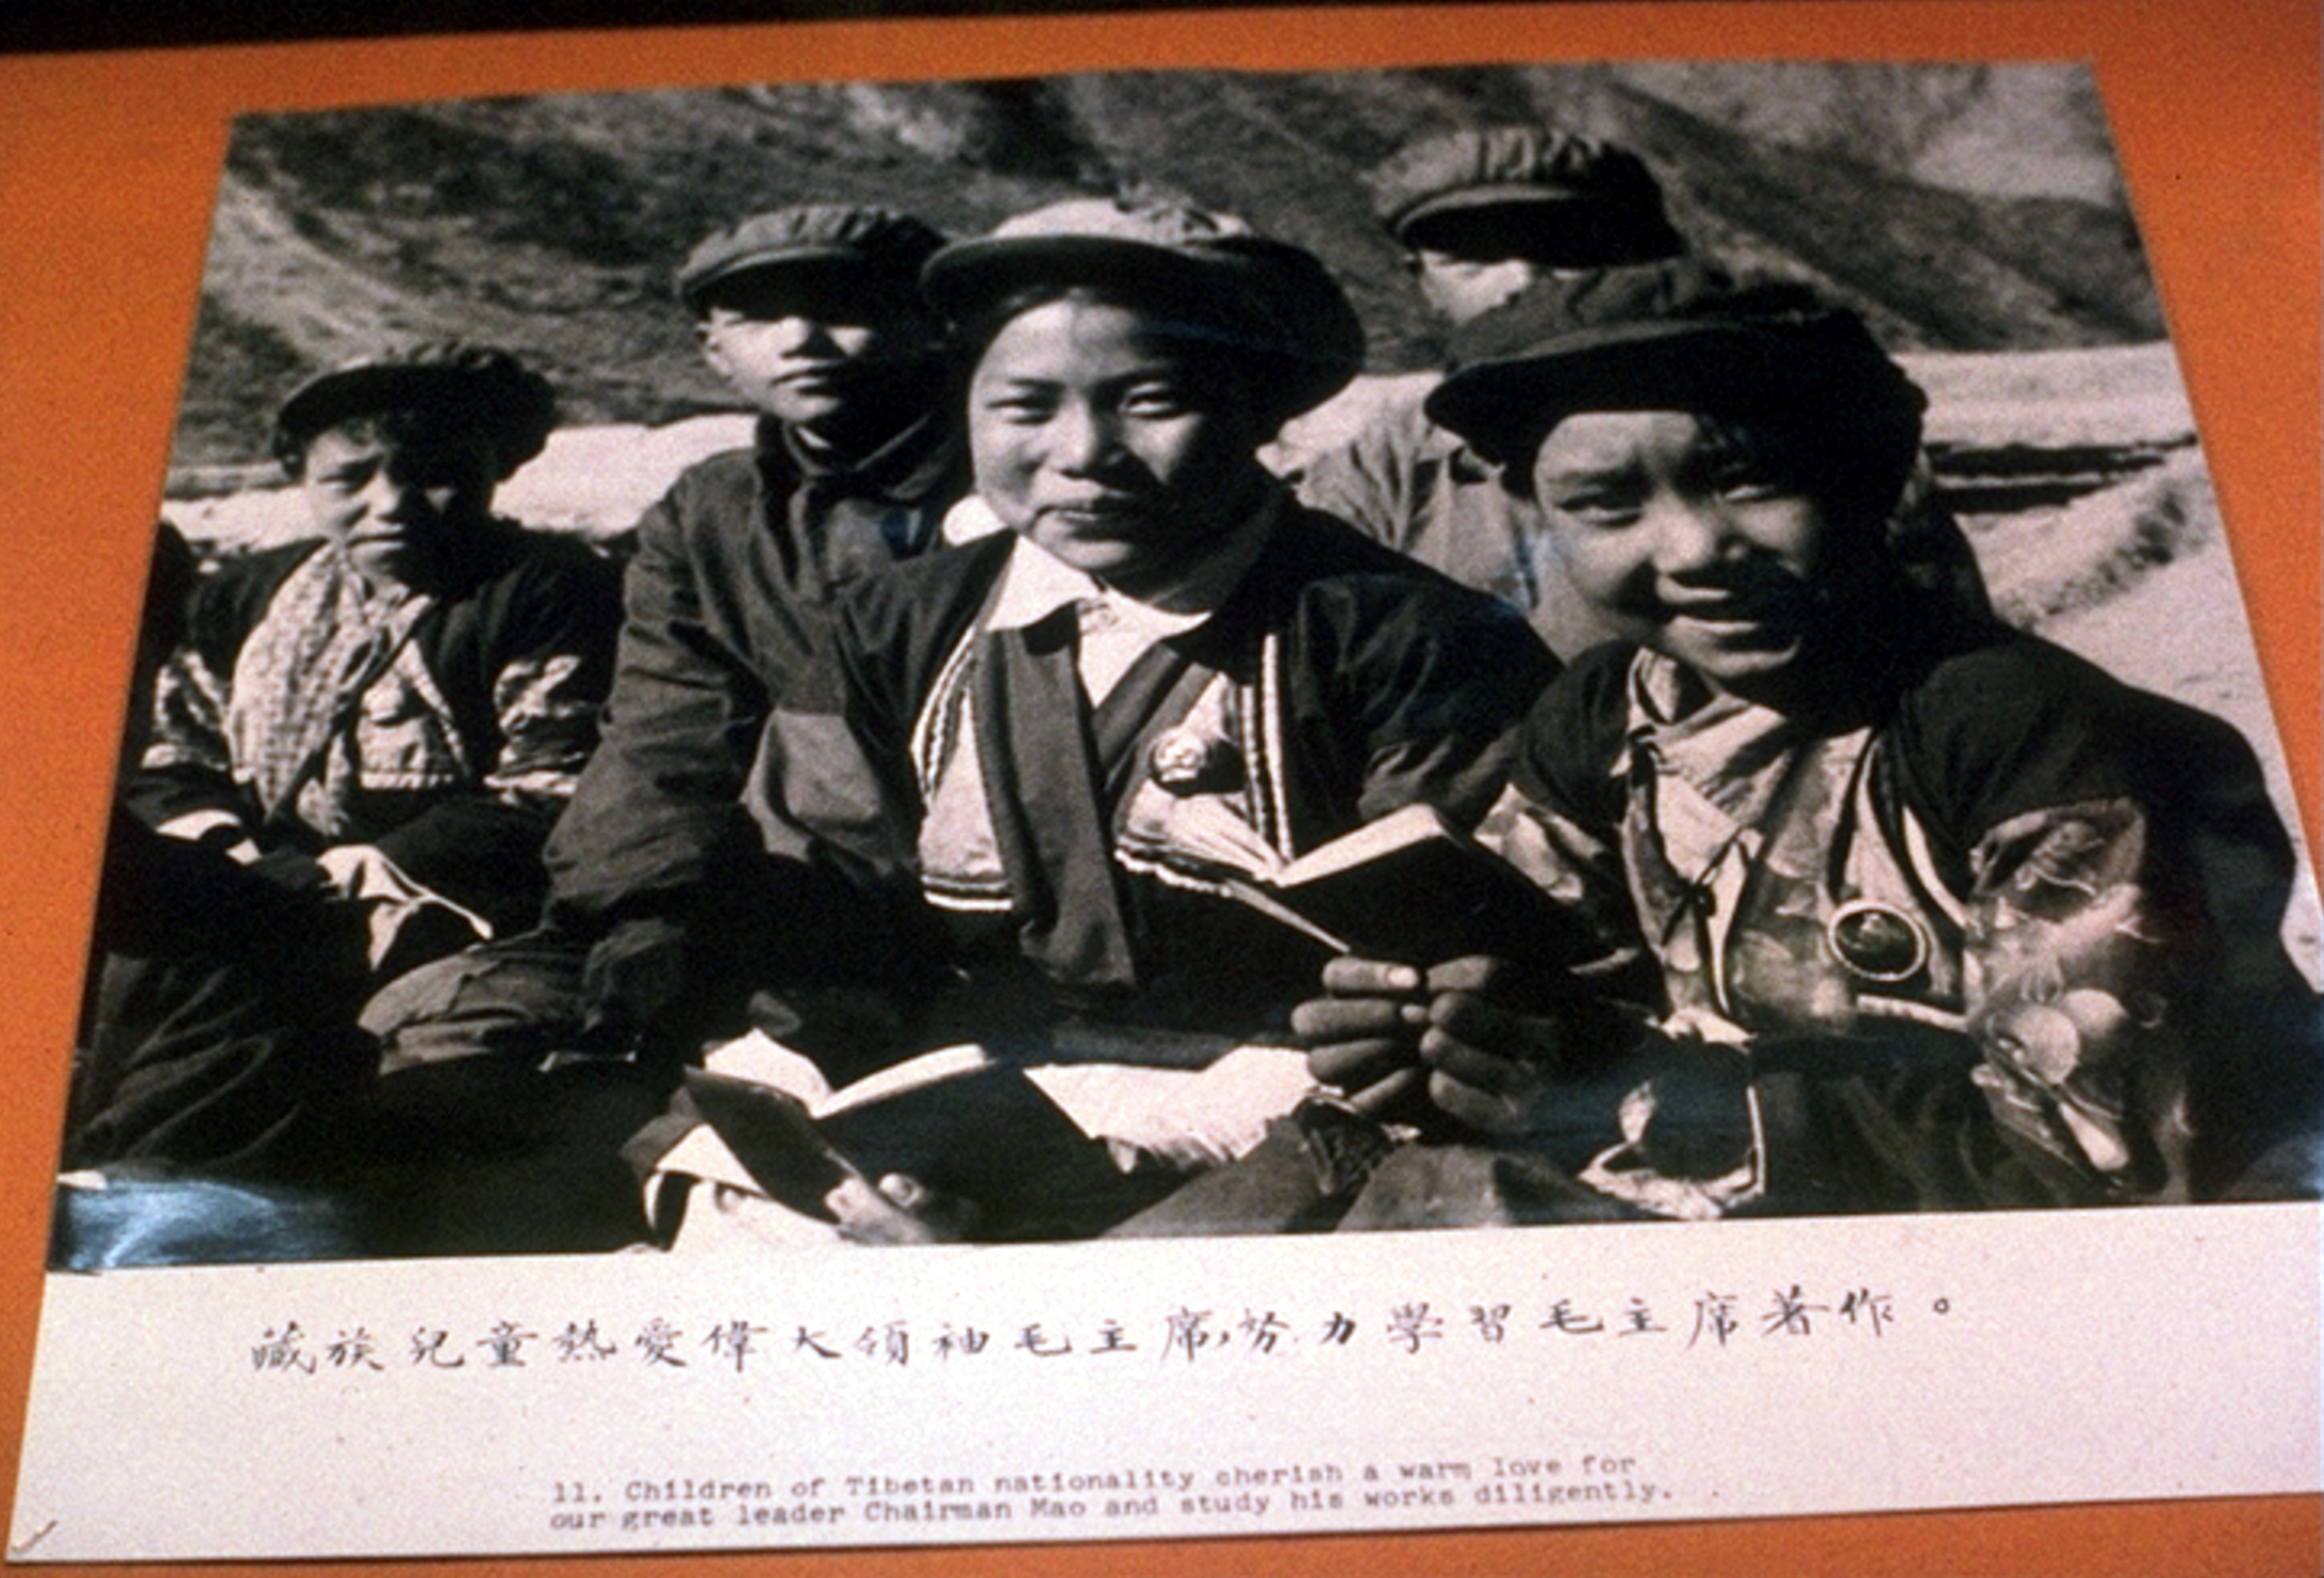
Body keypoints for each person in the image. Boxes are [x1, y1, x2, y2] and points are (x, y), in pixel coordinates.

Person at [1272, 261, 2321, 1227]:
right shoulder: (1603, 716)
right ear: (1532, 512)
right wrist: (1443, 1037)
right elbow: (1558, 978)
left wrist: (1675, 1099)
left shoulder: (2011, 731)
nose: (1694, 551)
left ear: (1867, 473)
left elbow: (2103, 1153)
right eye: (1605, 502)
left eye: (1753, 478)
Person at [636, 197, 1559, 1243]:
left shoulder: (1403, 636)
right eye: (1023, 407)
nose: (1083, 452)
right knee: (747, 1191)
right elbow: (831, 895)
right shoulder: (900, 620)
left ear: (1259, 409)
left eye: (1150, 401)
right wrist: (873, 1106)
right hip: (961, 1073)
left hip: (1272, 1093)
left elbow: (1456, 977)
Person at [413, 203, 973, 1070]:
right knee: (456, 1042)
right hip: (770, 892)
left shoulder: (1023, 482)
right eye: (758, 317)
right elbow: (664, 730)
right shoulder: (710, 510)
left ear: (927, 321)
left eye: (843, 305)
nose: (802, 339)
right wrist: (646, 910)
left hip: (968, 909)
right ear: (715, 352)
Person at [125, 339, 619, 980]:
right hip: (251, 887)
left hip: (464, 909)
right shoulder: (245, 595)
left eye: (431, 471)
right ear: (301, 476)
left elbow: (553, 784)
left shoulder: (551, 588)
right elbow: (174, 752)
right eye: (350, 477)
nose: (391, 503)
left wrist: (346, 879)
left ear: (495, 466)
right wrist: (228, 855)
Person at [1287, 126, 1686, 656]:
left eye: (1563, 246)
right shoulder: (1387, 464)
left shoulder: (1747, 418)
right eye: (1473, 257)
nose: (1523, 278)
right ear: (1423, 283)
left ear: (1640, 255)